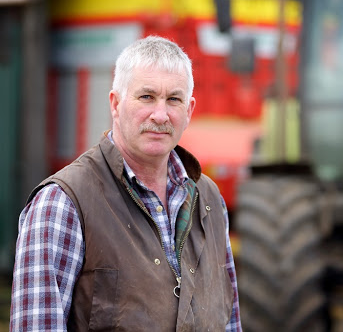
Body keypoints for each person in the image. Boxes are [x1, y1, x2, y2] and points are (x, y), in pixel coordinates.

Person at [10, 35, 242, 331]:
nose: (160, 115)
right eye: (146, 97)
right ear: (116, 104)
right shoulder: (62, 204)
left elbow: (230, 322)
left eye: (174, 99)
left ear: (189, 111)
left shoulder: (210, 200)